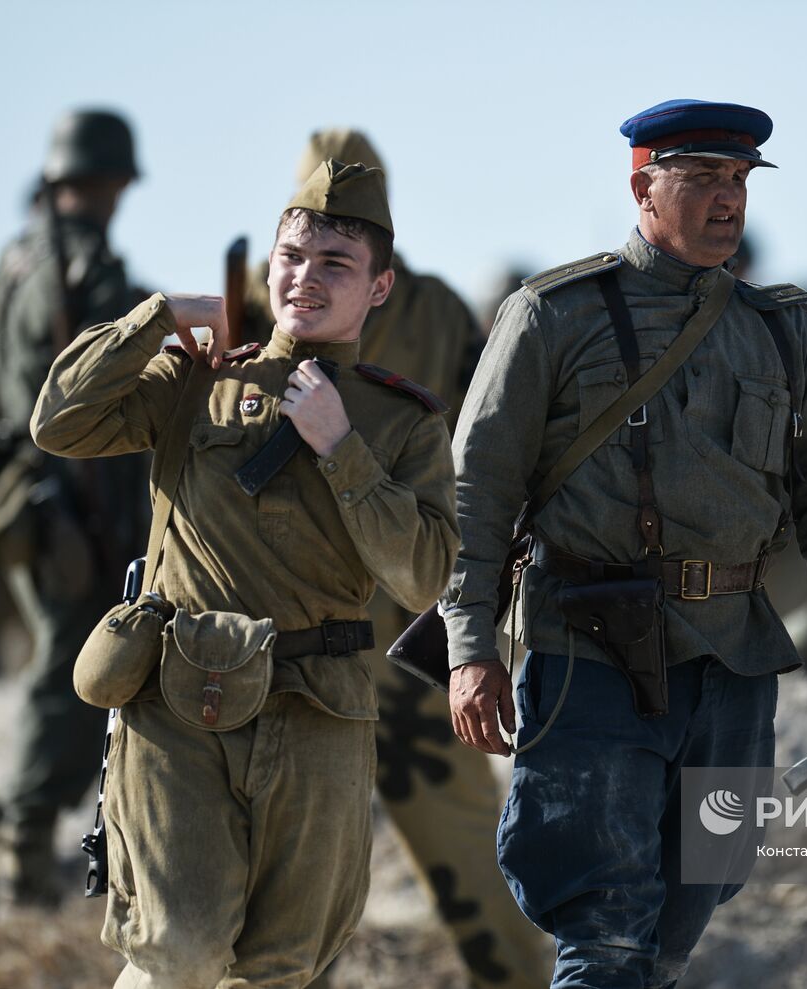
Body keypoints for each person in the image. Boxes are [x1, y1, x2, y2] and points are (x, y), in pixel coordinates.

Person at [445, 99, 807, 988]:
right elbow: (478, 492)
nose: (728, 200)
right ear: (642, 184)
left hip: (730, 664)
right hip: (591, 650)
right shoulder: (551, 316)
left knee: (680, 926)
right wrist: (471, 646)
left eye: (738, 181)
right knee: (606, 930)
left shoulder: (782, 331)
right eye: (701, 178)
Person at [31, 160, 459, 987]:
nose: (306, 277)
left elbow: (424, 575)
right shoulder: (201, 377)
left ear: (378, 288)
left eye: (336, 264)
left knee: (279, 965)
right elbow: (58, 422)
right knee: (177, 948)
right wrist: (151, 319)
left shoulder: (403, 423)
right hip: (177, 702)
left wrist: (344, 451)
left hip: (320, 712)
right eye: (292, 255)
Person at [245, 128, 546, 989]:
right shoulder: (437, 304)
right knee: (459, 851)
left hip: (312, 633)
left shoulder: (268, 289)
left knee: (288, 877)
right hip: (407, 622)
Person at [0, 108, 149, 909]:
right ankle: (24, 861)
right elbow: (100, 387)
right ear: (109, 180)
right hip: (70, 503)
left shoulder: (14, 259)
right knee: (66, 679)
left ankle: (33, 850)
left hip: (28, 497)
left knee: (60, 671)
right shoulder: (87, 265)